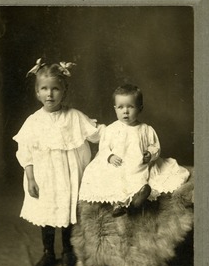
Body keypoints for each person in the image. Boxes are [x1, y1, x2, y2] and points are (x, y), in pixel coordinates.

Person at [13, 58, 104, 266]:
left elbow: (97, 134)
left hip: (67, 176)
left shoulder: (74, 117)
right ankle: (48, 252)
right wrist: (31, 178)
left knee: (66, 212)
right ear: (37, 93)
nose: (49, 94)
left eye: (55, 89)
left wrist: (120, 132)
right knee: (47, 213)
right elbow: (25, 152)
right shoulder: (33, 121)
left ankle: (68, 254)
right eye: (44, 89)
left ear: (64, 91)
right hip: (44, 177)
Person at [79, 83, 190, 217]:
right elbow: (103, 148)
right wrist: (110, 156)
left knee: (139, 176)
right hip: (117, 163)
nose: (125, 111)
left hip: (137, 163)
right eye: (120, 107)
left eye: (130, 107)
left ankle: (137, 197)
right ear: (115, 109)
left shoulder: (145, 129)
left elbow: (154, 146)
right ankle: (119, 204)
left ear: (140, 108)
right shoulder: (111, 130)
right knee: (113, 177)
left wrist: (150, 154)